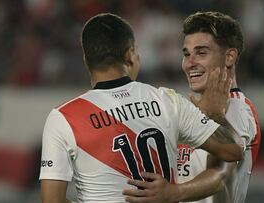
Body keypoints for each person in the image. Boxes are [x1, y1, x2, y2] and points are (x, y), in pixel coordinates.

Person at [39, 13, 243, 203]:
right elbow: (233, 151)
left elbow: (51, 200)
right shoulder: (167, 100)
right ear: (130, 55)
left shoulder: (64, 118)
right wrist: (215, 113)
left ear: (86, 60)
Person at [122, 11, 261, 203]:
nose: (190, 63)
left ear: (229, 57)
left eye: (201, 53)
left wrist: (172, 193)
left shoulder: (238, 109)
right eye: (186, 54)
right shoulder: (187, 107)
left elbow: (221, 174)